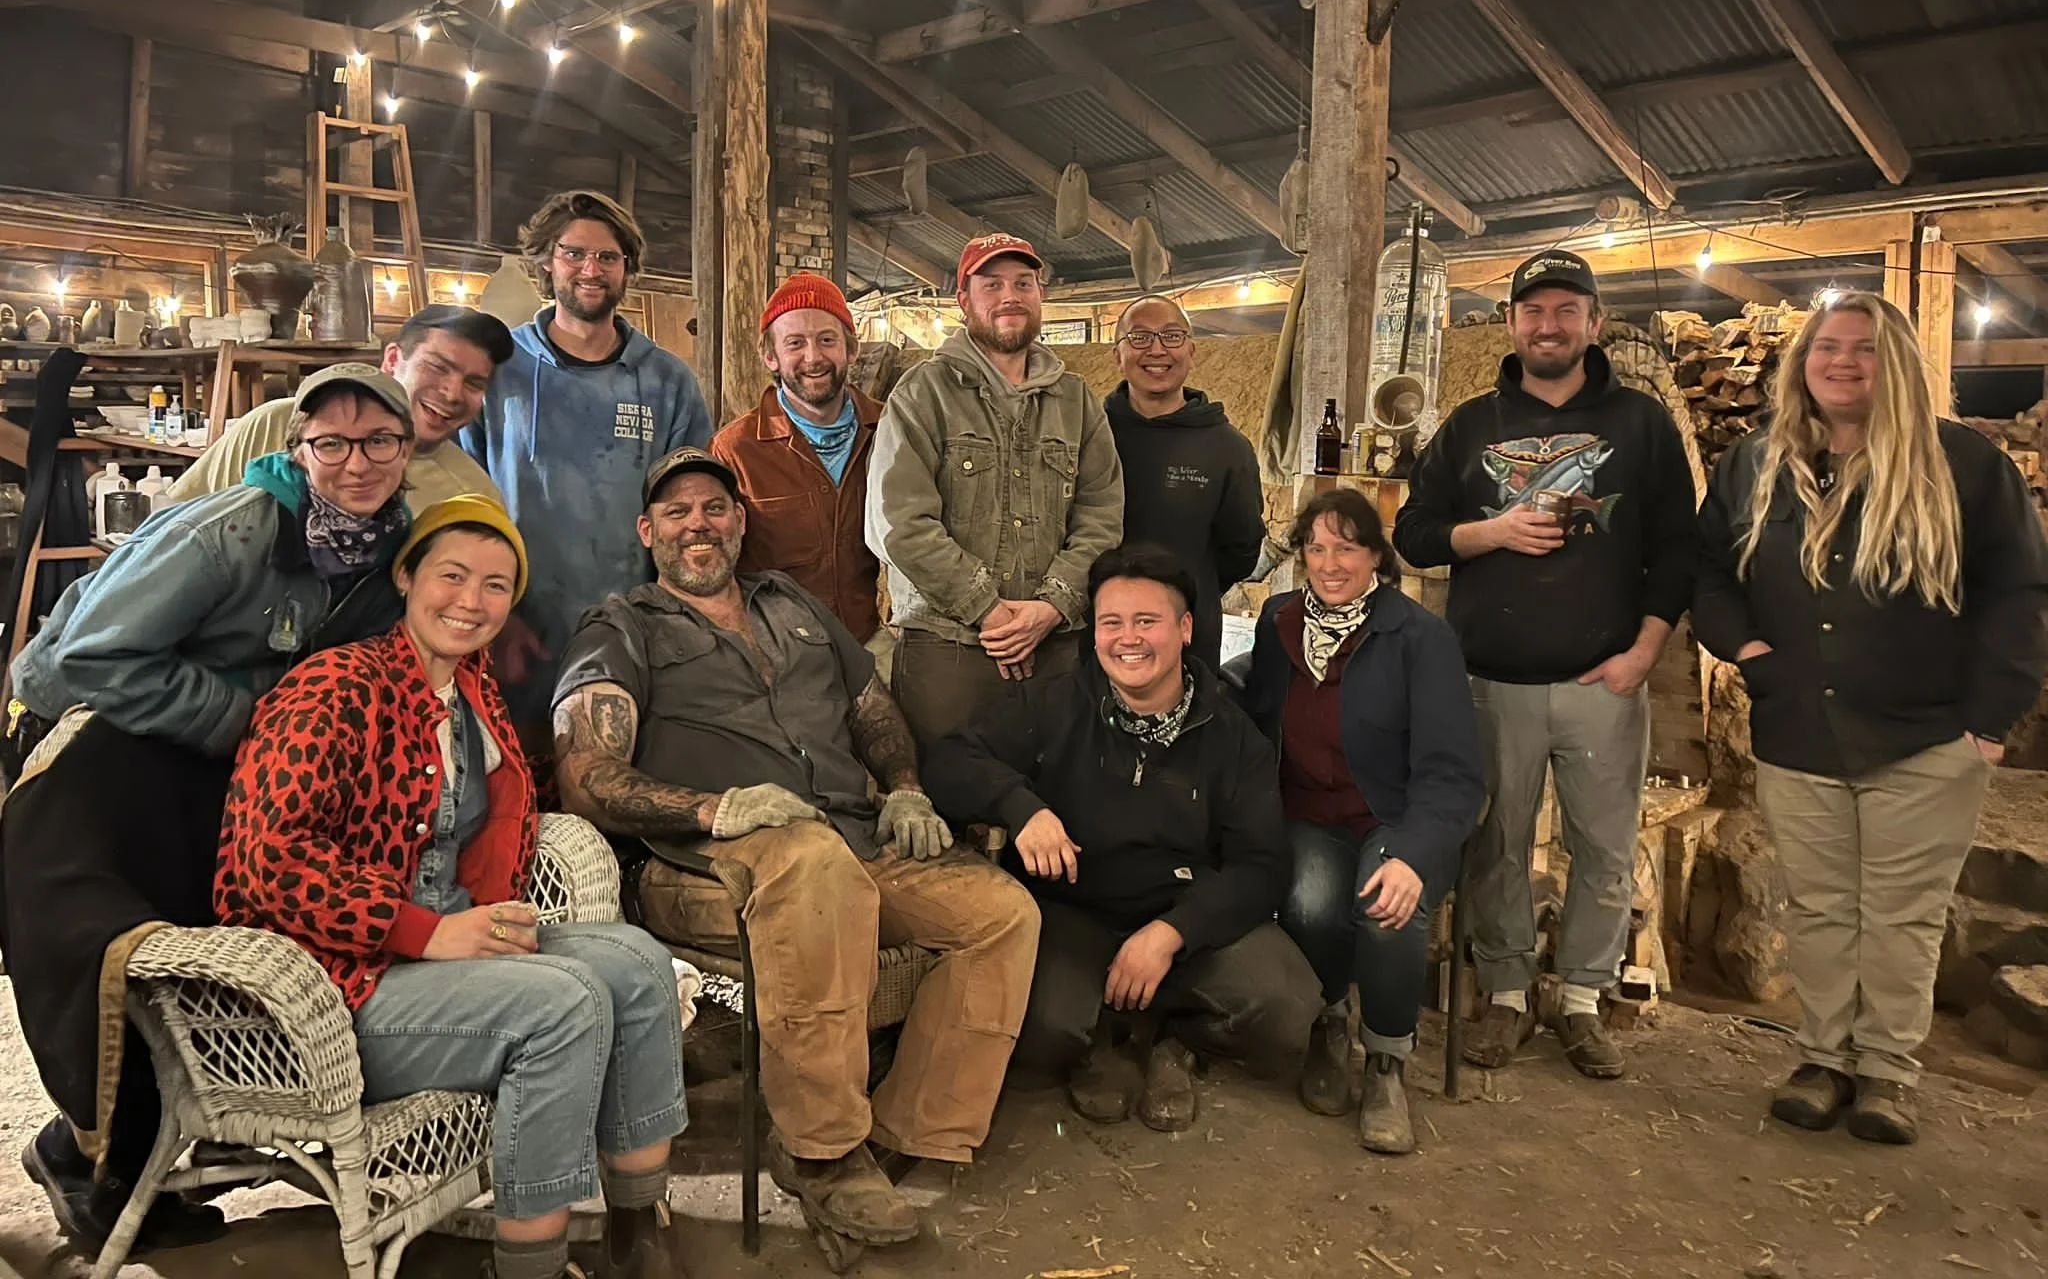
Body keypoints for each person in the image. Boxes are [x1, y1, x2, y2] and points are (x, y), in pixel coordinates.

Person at [550, 446, 1038, 1254]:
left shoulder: (793, 605)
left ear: (740, 522)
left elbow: (872, 708)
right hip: (706, 865)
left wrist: (908, 786)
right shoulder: (623, 627)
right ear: (648, 531)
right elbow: (585, 776)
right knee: (812, 871)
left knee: (1000, 912)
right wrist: (714, 808)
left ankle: (908, 1128)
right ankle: (820, 1154)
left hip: (849, 836)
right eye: (676, 513)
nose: (697, 525)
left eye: (714, 508)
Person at [1, 363, 414, 1258]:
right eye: (331, 443)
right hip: (104, 742)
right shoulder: (236, 527)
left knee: (205, 945)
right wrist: (244, 719)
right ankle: (81, 1155)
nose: (356, 461)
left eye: (378, 440)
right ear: (298, 450)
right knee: (104, 947)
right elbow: (92, 657)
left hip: (215, 762)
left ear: (406, 450)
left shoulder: (386, 554)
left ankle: (136, 1154)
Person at [217, 497, 688, 1279]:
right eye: (452, 576)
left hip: (445, 941)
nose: (471, 603)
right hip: (338, 981)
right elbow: (268, 859)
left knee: (635, 963)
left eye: (496, 586)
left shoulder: (473, 689)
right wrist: (427, 933)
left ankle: (639, 1225)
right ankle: (528, 1263)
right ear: (406, 577)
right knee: (565, 1003)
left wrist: (483, 919)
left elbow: (489, 820)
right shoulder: (335, 685)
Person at [1694, 292, 2048, 1144]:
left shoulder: (1963, 465)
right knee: (1820, 906)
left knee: (1903, 913)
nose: (1843, 361)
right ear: (1801, 363)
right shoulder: (1755, 464)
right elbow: (1708, 574)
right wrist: (1748, 655)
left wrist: (1990, 723)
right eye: (1827, 347)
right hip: (1801, 731)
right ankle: (1823, 1059)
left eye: (1865, 348)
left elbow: (2017, 594)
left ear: (1898, 363)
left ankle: (1886, 1071)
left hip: (1927, 736)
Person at [1393, 250, 1698, 1080]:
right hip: (1490, 682)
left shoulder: (1639, 423)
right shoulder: (1466, 426)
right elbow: (1413, 534)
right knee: (1497, 844)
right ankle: (1506, 997)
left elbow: (1678, 548)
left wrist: (1644, 651)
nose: (1549, 325)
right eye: (1534, 310)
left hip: (1605, 681)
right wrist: (1489, 533)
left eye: (1567, 310)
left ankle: (1584, 1002)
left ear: (1594, 323)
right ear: (1513, 324)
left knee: (1603, 849)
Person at [922, 544, 1317, 1133]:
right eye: (1112, 622)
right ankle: (1106, 1037)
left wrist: (1173, 933)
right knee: (1031, 1034)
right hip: (1074, 913)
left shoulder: (1233, 735)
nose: (1128, 639)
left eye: (1147, 621)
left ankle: (1173, 1040)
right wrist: (1022, 808)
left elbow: (1260, 866)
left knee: (1286, 1013)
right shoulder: (1056, 703)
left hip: (1188, 923)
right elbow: (950, 760)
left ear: (1185, 628)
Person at [1241, 489, 1485, 1154]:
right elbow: (1257, 708)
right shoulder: (1279, 623)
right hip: (1305, 815)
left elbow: (1453, 772)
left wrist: (1413, 853)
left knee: (1387, 904)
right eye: (1316, 547)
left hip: (1396, 819)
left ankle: (1386, 1059)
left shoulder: (1419, 637)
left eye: (1346, 547)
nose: (1329, 562)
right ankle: (1329, 1019)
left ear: (1375, 555)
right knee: (1310, 898)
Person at [459, 189, 713, 743]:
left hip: (630, 633)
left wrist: (672, 622)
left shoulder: (668, 383)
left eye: (607, 257)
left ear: (627, 270)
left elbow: (689, 517)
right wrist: (490, 613)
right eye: (574, 254)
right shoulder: (500, 370)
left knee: (616, 783)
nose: (590, 270)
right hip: (514, 630)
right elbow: (464, 500)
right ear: (547, 263)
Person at [867, 231, 1124, 752]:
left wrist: (1052, 606)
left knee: (1052, 796)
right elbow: (902, 524)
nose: (1010, 295)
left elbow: (1102, 515)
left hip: (1055, 643)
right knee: (948, 797)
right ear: (964, 301)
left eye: (1023, 283)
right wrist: (991, 611)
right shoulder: (922, 395)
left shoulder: (1075, 402)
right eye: (992, 284)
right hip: (949, 647)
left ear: (1039, 296)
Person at [164, 304, 510, 514]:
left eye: (474, 383)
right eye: (437, 367)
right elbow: (171, 527)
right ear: (393, 360)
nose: (452, 393)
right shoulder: (274, 424)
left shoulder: (471, 495)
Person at [711, 271, 883, 641]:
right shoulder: (735, 450)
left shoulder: (892, 431)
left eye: (826, 340)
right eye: (795, 343)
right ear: (770, 356)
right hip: (782, 653)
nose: (813, 357)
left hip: (876, 641)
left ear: (851, 349)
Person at [1104, 295, 1266, 668]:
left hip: (1187, 639)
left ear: (1191, 352)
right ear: (1117, 355)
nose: (1157, 350)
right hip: (1095, 635)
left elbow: (1240, 554)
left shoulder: (1227, 448)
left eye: (1172, 336)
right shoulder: (1089, 436)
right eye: (1140, 337)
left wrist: (1190, 589)